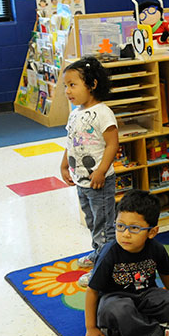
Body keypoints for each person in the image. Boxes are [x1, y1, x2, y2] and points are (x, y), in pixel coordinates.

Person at [81, 190, 169, 336]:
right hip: (114, 301)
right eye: (120, 226)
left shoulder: (156, 249)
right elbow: (92, 291)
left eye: (134, 228)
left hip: (145, 295)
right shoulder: (109, 253)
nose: (125, 234)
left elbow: (166, 272)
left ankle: (123, 330)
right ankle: (159, 334)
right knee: (120, 311)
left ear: (152, 232)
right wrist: (91, 328)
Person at [60, 56, 119, 288]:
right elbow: (70, 141)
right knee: (94, 222)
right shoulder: (75, 113)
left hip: (99, 182)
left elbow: (113, 144)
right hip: (82, 181)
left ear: (92, 85)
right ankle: (99, 253)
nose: (67, 91)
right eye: (66, 85)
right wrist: (64, 164)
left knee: (105, 225)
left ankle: (105, 267)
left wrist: (101, 171)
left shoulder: (103, 113)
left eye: (73, 85)